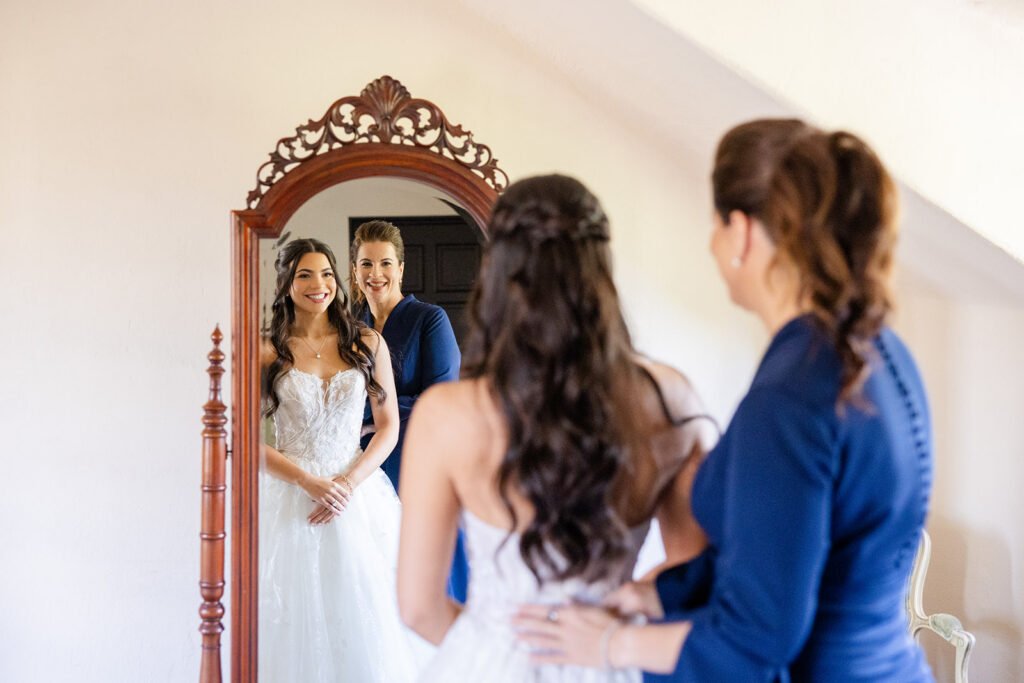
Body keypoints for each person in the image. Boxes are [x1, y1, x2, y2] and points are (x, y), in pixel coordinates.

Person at [514, 119, 935, 682]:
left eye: (714, 225)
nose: (711, 243)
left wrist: (612, 644)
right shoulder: (881, 350)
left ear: (740, 233)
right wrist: (656, 595)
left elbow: (756, 639)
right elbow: (785, 548)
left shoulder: (790, 393)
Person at [395, 174, 716, 682]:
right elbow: (694, 575)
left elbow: (419, 608)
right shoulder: (669, 397)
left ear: (497, 272)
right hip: (607, 662)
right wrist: (616, 621)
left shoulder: (447, 414)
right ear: (601, 268)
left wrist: (501, 648)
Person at [258, 237, 427, 682]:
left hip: (357, 495)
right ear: (286, 283)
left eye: (327, 274)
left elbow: (388, 427)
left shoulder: (367, 342)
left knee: (370, 619)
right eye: (305, 275)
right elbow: (239, 438)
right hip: (290, 495)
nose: (319, 284)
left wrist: (347, 484)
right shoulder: (267, 349)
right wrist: (306, 481)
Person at [351, 219, 469, 601]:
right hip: (362, 462)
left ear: (401, 269)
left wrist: (379, 419)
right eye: (366, 264)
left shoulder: (429, 319)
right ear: (354, 270)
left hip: (416, 460)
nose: (376, 274)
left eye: (385, 263)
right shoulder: (349, 328)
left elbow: (443, 397)